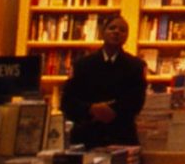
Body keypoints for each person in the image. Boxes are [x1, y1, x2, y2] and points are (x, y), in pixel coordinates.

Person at [58, 12, 147, 149]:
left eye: (122, 30)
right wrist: (91, 109)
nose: (116, 32)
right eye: (112, 28)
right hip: (86, 136)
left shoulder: (136, 66)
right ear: (102, 32)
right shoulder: (82, 65)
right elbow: (67, 101)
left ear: (126, 37)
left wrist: (112, 111)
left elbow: (136, 101)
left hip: (121, 136)